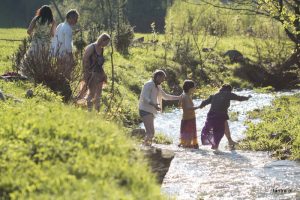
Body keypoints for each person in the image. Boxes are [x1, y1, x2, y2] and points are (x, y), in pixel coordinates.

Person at [199, 84, 251, 150]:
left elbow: (204, 102)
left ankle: (230, 141)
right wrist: (247, 97)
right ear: (229, 90)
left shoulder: (214, 95)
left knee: (224, 124)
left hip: (211, 115)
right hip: (220, 115)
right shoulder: (228, 94)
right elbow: (239, 98)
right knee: (219, 131)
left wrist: (200, 106)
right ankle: (215, 147)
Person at [139, 70, 182, 146]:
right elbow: (144, 97)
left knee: (151, 133)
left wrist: (178, 97)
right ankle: (143, 149)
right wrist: (154, 104)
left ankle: (147, 148)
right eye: (162, 78)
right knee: (150, 133)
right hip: (145, 110)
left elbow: (165, 96)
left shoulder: (158, 86)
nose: (163, 80)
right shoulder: (148, 84)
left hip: (151, 111)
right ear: (157, 77)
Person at [76, 33, 110, 112]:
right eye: (107, 42)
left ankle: (97, 112)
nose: (107, 44)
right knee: (90, 93)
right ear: (102, 40)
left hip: (99, 74)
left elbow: (100, 63)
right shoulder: (91, 47)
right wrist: (86, 73)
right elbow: (84, 60)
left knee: (98, 94)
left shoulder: (101, 49)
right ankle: (89, 111)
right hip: (91, 74)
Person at [51, 9, 79, 78]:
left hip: (58, 53)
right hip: (65, 55)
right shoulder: (68, 29)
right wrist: (71, 57)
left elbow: (58, 38)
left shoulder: (60, 25)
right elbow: (68, 46)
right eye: (75, 18)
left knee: (59, 73)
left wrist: (73, 33)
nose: (76, 21)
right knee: (66, 75)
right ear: (70, 18)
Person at [178, 80, 201, 149]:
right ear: (190, 88)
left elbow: (179, 105)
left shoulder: (183, 95)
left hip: (185, 118)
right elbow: (188, 108)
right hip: (190, 119)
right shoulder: (186, 96)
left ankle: (185, 145)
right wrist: (198, 107)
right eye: (194, 87)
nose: (195, 88)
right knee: (189, 136)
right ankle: (188, 146)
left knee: (186, 135)